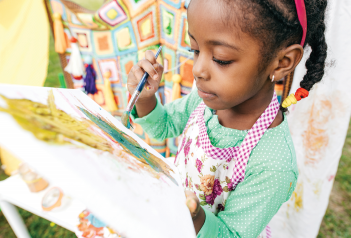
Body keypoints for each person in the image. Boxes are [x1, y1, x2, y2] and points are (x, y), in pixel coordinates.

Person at [127, 0, 328, 237]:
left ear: (283, 62)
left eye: (221, 59)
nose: (198, 70)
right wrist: (145, 98)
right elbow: (164, 127)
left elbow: (231, 233)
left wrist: (194, 215)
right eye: (195, 50)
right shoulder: (206, 101)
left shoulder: (274, 165)